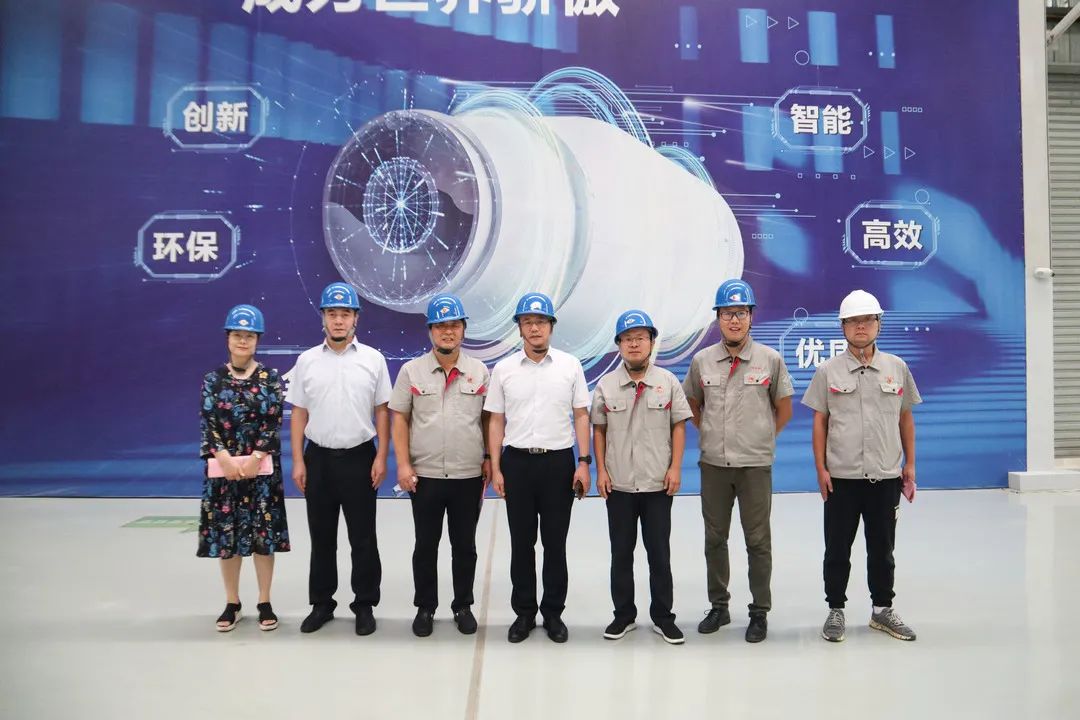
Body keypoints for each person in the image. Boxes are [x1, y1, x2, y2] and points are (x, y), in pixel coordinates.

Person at [802, 289, 921, 643]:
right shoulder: (827, 371)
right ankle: (835, 610)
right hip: (842, 478)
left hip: (885, 476)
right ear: (843, 327)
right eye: (853, 321)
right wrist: (821, 469)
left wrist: (910, 464)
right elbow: (820, 422)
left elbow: (905, 418)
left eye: (868, 319)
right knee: (837, 548)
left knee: (882, 549)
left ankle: (882, 610)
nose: (860, 327)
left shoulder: (897, 368)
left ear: (879, 324)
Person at [683, 279, 793, 643]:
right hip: (714, 465)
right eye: (728, 313)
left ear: (751, 317)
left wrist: (760, 438)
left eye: (741, 313)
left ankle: (759, 611)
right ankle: (719, 606)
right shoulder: (702, 361)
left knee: (758, 540)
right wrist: (712, 432)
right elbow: (692, 404)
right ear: (718, 317)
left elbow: (784, 409)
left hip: (754, 466)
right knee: (715, 538)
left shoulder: (770, 360)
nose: (734, 320)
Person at [485, 292, 591, 644]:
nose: (534, 328)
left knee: (555, 544)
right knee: (522, 543)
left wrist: (584, 462)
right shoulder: (504, 370)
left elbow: (581, 415)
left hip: (558, 464)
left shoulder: (569, 366)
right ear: (519, 328)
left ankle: (554, 613)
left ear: (551, 326)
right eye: (527, 322)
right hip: (517, 463)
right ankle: (525, 613)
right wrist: (497, 467)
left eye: (541, 321)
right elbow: (496, 420)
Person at [286, 282, 391, 636]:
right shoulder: (307, 361)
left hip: (360, 457)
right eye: (332, 314)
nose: (339, 320)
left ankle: (364, 604)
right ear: (323, 318)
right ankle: (321, 604)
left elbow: (382, 411)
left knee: (363, 538)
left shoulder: (373, 359)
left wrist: (382, 457)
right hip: (318, 459)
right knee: (322, 537)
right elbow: (298, 413)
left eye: (345, 314)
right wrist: (298, 460)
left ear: (356, 319)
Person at [389, 294, 491, 637]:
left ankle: (463, 605)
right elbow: (399, 419)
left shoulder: (479, 372)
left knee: (465, 546)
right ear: (430, 331)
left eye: (454, 325)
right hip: (426, 475)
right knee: (425, 545)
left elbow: (489, 420)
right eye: (441, 326)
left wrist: (489, 459)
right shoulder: (411, 371)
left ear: (463, 329)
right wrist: (403, 465)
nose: (448, 331)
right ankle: (425, 607)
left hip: (468, 475)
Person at [591, 310, 693, 644]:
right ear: (619, 344)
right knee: (621, 554)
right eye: (627, 339)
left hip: (656, 484)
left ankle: (663, 617)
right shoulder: (606, 385)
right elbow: (599, 430)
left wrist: (675, 468)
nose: (634, 344)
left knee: (659, 555)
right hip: (619, 484)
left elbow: (679, 427)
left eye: (640, 338)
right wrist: (601, 470)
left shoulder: (668, 382)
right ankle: (623, 616)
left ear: (651, 342)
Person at [197, 304, 289, 632]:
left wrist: (254, 458)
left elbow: (273, 420)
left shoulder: (270, 378)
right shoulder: (213, 380)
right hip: (224, 474)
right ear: (228, 338)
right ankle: (232, 602)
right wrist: (223, 457)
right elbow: (208, 422)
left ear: (257, 340)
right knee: (228, 537)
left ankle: (264, 601)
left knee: (264, 537)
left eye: (249, 336)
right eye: (237, 335)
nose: (242, 341)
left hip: (259, 472)